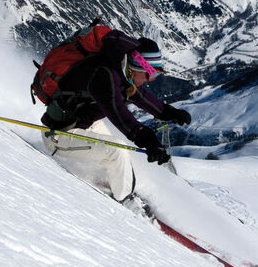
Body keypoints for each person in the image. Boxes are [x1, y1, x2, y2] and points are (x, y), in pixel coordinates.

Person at [40, 29, 191, 202]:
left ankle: (120, 187)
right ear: (137, 67)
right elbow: (119, 114)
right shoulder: (104, 76)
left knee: (119, 157)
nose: (150, 80)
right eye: (151, 74)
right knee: (117, 151)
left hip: (84, 124)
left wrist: (168, 112)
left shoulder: (118, 69)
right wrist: (148, 139)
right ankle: (125, 202)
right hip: (59, 134)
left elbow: (140, 96)